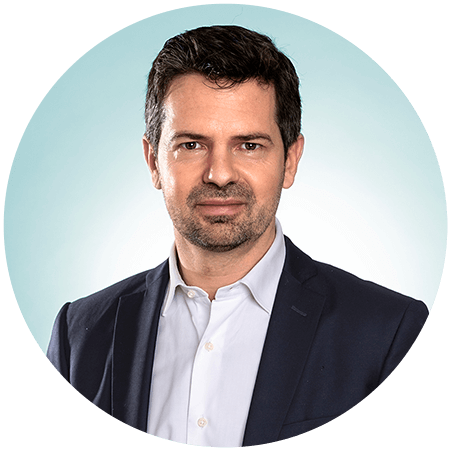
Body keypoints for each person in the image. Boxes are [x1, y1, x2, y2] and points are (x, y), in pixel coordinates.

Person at [47, 25, 429, 447]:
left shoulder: (389, 334)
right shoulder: (78, 336)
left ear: (290, 161)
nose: (220, 174)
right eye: (192, 145)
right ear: (153, 161)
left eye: (249, 145)